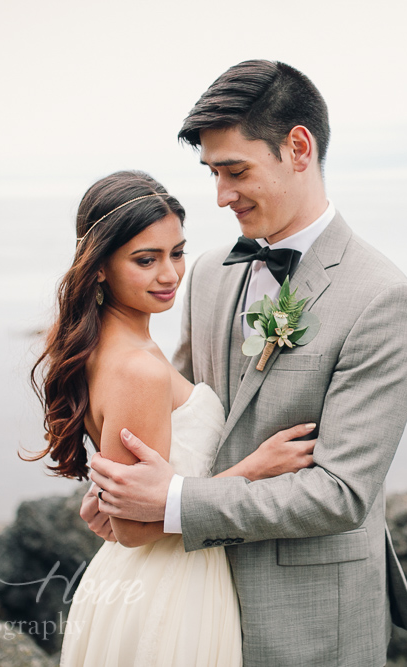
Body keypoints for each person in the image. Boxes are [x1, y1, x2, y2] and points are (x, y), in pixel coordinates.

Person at [85, 61, 407, 666]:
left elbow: (340, 493)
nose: (220, 196)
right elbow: (183, 422)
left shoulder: (382, 298)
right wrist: (116, 491)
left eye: (236, 171)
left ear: (298, 147)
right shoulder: (211, 273)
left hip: (312, 617)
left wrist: (171, 504)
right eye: (213, 173)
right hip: (188, 602)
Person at [27, 170, 317, 666]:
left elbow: (125, 508)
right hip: (170, 592)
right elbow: (136, 527)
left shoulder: (110, 346)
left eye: (177, 253)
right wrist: (253, 468)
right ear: (99, 267)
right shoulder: (138, 368)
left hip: (147, 579)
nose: (170, 275)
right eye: (146, 260)